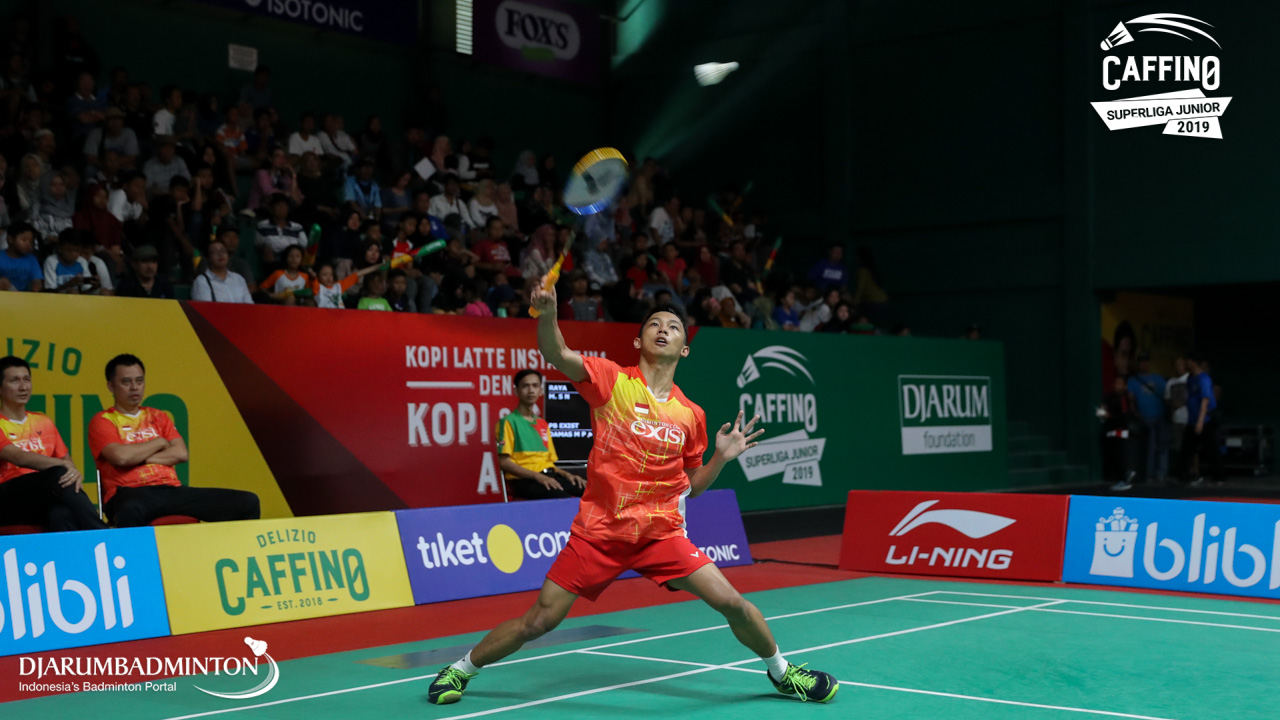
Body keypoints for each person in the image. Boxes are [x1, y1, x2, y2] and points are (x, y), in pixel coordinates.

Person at [428, 299, 838, 706]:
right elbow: (557, 353)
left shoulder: (690, 415)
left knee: (733, 602)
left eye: (673, 327)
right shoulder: (612, 381)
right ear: (638, 340)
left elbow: (693, 487)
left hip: (661, 535)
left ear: (685, 348)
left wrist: (720, 458)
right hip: (599, 533)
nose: (663, 330)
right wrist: (549, 315)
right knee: (538, 621)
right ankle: (460, 669)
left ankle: (783, 673)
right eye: (654, 324)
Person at [89, 354, 260, 527]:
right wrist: (159, 442)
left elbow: (180, 453)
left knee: (247, 502)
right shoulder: (103, 420)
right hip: (129, 493)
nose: (134, 387)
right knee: (130, 510)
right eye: (126, 382)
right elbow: (121, 457)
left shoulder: (158, 416)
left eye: (139, 381)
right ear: (111, 386)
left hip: (170, 490)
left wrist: (139, 458)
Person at [0, 356, 107, 532]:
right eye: (14, 381)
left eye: (26, 379)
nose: (23, 387)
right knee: (57, 473)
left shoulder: (43, 421)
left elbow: (67, 463)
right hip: (8, 498)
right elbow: (17, 457)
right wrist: (62, 466)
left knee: (61, 514)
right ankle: (102, 533)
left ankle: (79, 549)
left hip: (42, 498)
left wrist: (69, 470)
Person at [495, 369, 586, 500]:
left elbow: (549, 464)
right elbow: (504, 463)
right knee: (562, 498)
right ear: (516, 391)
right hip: (525, 480)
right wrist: (537, 476)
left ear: (540, 391)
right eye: (525, 386)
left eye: (535, 386)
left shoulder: (542, 424)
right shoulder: (508, 422)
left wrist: (568, 475)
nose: (531, 390)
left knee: (589, 490)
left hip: (549, 476)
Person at [1178, 353, 1222, 486]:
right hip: (1192, 420)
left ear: (1194, 362)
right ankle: (1184, 477)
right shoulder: (1190, 378)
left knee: (1211, 448)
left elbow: (1205, 399)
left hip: (1205, 420)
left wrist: (1200, 422)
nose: (1186, 363)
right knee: (1187, 449)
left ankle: (1219, 477)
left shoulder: (1204, 379)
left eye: (1188, 361)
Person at [1127, 354, 1167, 483]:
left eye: (1146, 361)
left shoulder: (1158, 379)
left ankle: (1161, 473)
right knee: (1150, 447)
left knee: (1162, 445)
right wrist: (1135, 413)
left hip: (1160, 415)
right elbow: (1131, 399)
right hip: (1145, 417)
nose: (1144, 364)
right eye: (1141, 362)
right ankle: (1149, 474)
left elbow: (1166, 396)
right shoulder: (1133, 380)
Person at [191, 235, 254, 303]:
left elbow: (249, 305)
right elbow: (205, 308)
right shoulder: (202, 281)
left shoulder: (238, 279)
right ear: (208, 258)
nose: (220, 254)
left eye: (223, 250)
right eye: (215, 251)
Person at [1101, 376, 1136, 491]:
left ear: (1125, 386)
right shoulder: (1111, 397)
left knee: (1121, 454)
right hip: (1112, 430)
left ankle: (1124, 479)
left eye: (1120, 384)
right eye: (1116, 383)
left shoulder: (1126, 398)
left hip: (1122, 430)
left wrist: (1110, 416)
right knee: (1115, 455)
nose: (1117, 386)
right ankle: (1123, 476)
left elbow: (1124, 415)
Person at [0, 221, 42, 291]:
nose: (28, 244)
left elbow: (37, 281)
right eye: (24, 240)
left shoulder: (31, 259)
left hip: (24, 296)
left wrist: (36, 289)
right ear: (10, 239)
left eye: (30, 242)